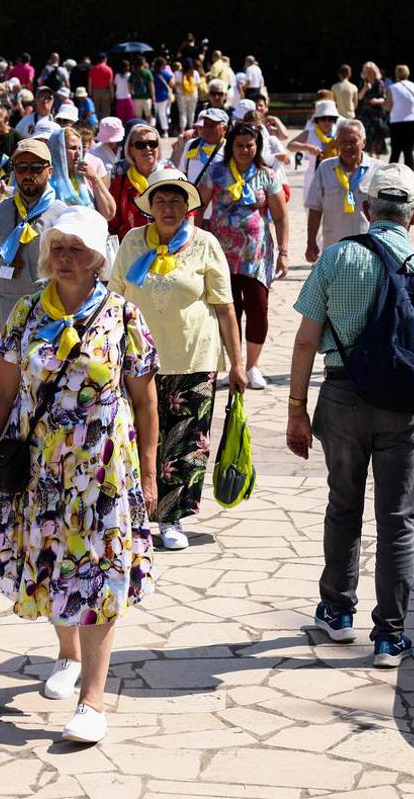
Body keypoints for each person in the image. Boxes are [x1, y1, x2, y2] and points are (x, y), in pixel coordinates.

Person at [0, 208, 159, 746]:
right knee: (49, 564)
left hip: (104, 473)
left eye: (77, 249)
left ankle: (92, 700)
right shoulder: (26, 312)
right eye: (58, 248)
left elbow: (145, 399)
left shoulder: (123, 316)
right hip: (40, 472)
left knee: (101, 573)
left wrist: (148, 470)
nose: (65, 258)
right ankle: (67, 651)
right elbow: (1, 393)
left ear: (98, 258)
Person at [286, 162, 414, 669]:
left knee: (343, 506)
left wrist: (296, 409)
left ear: (365, 210)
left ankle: (337, 613)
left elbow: (304, 339)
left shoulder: (339, 257)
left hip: (342, 400)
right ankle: (390, 636)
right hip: (409, 412)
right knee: (398, 522)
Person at [109, 167, 245, 550]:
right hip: (138, 360)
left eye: (176, 200)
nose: (168, 207)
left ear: (188, 207)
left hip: (194, 357)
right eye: (161, 200)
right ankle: (135, 515)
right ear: (150, 207)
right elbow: (113, 297)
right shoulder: (133, 242)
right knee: (135, 438)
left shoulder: (205, 244)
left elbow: (224, 307)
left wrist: (237, 362)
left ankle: (173, 519)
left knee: (186, 444)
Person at [0, 137, 68, 393]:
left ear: (49, 171)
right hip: (1, 314)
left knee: (41, 390)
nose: (28, 174)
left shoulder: (62, 217)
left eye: (36, 168)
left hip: (46, 315)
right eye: (21, 167)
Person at [198, 123, 288, 390]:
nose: (245, 150)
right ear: (231, 146)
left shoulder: (267, 175)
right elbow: (199, 206)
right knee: (229, 310)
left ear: (257, 146)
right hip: (221, 255)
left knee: (258, 309)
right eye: (240, 145)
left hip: (256, 255)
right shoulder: (216, 172)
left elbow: (281, 216)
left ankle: (253, 367)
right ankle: (235, 365)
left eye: (250, 145)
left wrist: (284, 252)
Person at [304, 120, 381, 262]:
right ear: (337, 143)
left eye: (353, 141)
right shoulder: (325, 168)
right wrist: (311, 242)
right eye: (343, 142)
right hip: (333, 249)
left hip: (369, 250)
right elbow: (315, 208)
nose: (348, 146)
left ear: (363, 142)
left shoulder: (379, 170)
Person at [107, 123, 172, 239]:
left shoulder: (171, 176)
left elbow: (187, 214)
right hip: (131, 247)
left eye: (152, 144)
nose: (148, 148)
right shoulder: (120, 182)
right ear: (130, 149)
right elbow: (113, 221)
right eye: (140, 144)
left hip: (167, 246)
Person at [288, 100, 342, 192]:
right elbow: (290, 146)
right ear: (317, 120)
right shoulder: (310, 133)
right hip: (313, 177)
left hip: (336, 177)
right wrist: (307, 147)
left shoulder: (339, 133)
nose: (327, 122)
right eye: (323, 119)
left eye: (330, 119)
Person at [384, 64, 414, 170]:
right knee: (408, 151)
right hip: (413, 121)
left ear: (396, 74)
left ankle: (390, 175)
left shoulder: (392, 88)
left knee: (395, 152)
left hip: (397, 122)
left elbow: (387, 107)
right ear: (408, 73)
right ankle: (410, 177)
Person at [178, 108, 230, 186]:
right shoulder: (191, 144)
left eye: (212, 125)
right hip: (192, 196)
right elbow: (181, 172)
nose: (207, 129)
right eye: (205, 124)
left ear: (224, 129)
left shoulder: (228, 150)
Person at [356, 62, 390, 158]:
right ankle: (371, 159)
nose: (368, 73)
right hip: (366, 114)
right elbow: (359, 97)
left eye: (370, 71)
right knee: (369, 138)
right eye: (366, 71)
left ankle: (378, 161)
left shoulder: (380, 83)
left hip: (377, 114)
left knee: (378, 137)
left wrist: (376, 100)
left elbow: (384, 98)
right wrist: (365, 89)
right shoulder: (363, 82)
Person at [88, 51, 115, 123]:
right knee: (105, 112)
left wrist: (90, 93)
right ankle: (104, 127)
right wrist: (112, 95)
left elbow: (90, 82)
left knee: (95, 111)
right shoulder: (108, 69)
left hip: (95, 91)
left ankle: (96, 127)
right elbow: (110, 84)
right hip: (105, 92)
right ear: (105, 59)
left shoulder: (93, 69)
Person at [152, 56, 173, 136]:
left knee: (153, 114)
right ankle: (165, 132)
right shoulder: (165, 73)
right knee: (162, 114)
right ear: (162, 65)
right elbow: (171, 83)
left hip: (153, 97)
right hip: (163, 96)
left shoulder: (151, 73)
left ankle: (153, 131)